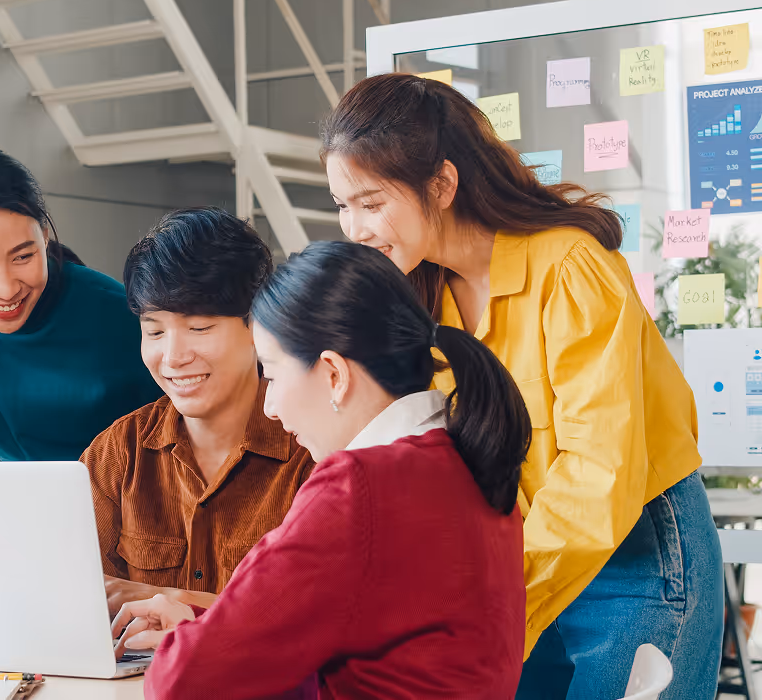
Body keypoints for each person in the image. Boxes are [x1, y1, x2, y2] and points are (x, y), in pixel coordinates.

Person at [319, 73, 722, 698]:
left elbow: (601, 473)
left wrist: (490, 596)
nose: (356, 228)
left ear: (444, 183)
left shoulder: (569, 266)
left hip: (636, 560)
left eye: (372, 203)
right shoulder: (422, 297)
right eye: (343, 206)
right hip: (524, 561)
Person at [111, 241, 530, 699]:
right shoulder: (464, 457)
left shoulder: (358, 487)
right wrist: (202, 626)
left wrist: (184, 644)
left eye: (271, 374)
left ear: (333, 373)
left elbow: (182, 682)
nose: (269, 406)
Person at [84, 207, 313, 617]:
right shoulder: (118, 453)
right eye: (154, 331)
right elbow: (68, 589)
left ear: (258, 326)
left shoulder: (313, 451)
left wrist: (184, 606)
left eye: (199, 328)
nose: (172, 357)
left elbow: (321, 618)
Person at [0, 146, 162, 461]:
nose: (5, 290)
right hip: (25, 500)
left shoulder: (120, 313)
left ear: (44, 236)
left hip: (123, 499)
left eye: (23, 256)